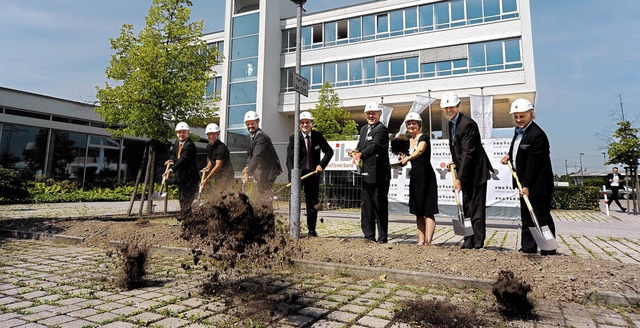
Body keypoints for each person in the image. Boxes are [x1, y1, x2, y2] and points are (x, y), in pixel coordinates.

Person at [500, 98, 557, 255]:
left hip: (537, 185)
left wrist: (527, 186)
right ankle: (528, 247)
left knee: (541, 217)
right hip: (523, 183)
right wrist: (509, 157)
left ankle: (549, 249)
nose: (519, 120)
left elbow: (534, 165)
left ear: (531, 114)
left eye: (522, 116)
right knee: (526, 218)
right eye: (516, 117)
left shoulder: (537, 135)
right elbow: (520, 153)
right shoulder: (519, 132)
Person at [442, 92, 493, 249]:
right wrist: (455, 163)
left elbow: (469, 153)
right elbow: (459, 150)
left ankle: (478, 241)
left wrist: (459, 179)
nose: (449, 110)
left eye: (451, 107)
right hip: (464, 170)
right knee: (466, 207)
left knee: (476, 208)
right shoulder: (452, 124)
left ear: (457, 106)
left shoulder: (467, 124)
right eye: (446, 108)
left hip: (476, 173)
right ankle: (468, 239)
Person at [286, 111, 334, 237]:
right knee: (294, 201)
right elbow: (289, 159)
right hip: (298, 175)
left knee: (312, 202)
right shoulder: (294, 138)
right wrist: (293, 176)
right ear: (299, 125)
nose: (305, 125)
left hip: (313, 174)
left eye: (307, 122)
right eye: (302, 123)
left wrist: (321, 165)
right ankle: (294, 229)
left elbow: (329, 152)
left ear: (312, 123)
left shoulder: (318, 136)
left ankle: (311, 230)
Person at [349, 101, 391, 243]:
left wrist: (361, 155)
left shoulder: (382, 129)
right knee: (366, 206)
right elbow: (361, 146)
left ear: (379, 114)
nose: (371, 116)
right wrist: (355, 152)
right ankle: (368, 236)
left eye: (373, 113)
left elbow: (375, 146)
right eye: (368, 113)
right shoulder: (363, 129)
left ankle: (383, 237)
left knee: (380, 206)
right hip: (366, 174)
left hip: (379, 175)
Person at [399, 112, 438, 245]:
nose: (411, 125)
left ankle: (428, 241)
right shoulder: (407, 141)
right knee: (418, 211)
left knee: (428, 210)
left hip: (426, 177)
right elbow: (402, 156)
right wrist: (401, 159)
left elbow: (420, 151)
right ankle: (420, 241)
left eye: (414, 123)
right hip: (415, 177)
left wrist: (408, 158)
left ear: (419, 125)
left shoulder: (424, 138)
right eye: (409, 123)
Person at [242, 111, 282, 196]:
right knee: (261, 193)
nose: (250, 126)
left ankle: (267, 208)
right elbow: (249, 155)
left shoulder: (261, 137)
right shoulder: (252, 137)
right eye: (248, 124)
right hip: (262, 170)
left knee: (264, 193)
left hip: (269, 171)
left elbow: (257, 155)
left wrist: (248, 173)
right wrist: (247, 167)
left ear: (257, 122)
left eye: (252, 123)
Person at [163, 122, 199, 219]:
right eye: (179, 132)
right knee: (181, 198)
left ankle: (184, 216)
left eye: (183, 132)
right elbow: (174, 154)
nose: (181, 134)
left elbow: (182, 160)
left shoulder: (189, 145)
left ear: (188, 133)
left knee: (186, 198)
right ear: (176, 133)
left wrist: (171, 169)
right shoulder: (176, 143)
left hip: (190, 178)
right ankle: (188, 218)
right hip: (181, 177)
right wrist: (171, 159)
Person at [201, 123, 234, 194]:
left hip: (226, 174)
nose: (211, 136)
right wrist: (208, 167)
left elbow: (218, 166)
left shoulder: (222, 148)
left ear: (218, 134)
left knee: (224, 193)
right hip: (218, 174)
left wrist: (206, 179)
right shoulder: (209, 146)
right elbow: (211, 159)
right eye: (209, 134)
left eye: (213, 134)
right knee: (217, 192)